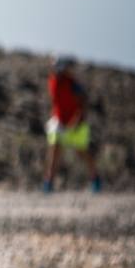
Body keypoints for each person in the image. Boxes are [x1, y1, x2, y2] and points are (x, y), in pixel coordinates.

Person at [43, 56, 100, 193]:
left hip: (76, 123)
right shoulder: (52, 81)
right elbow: (56, 102)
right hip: (59, 121)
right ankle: (48, 183)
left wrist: (77, 121)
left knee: (82, 152)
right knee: (55, 149)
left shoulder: (73, 83)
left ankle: (95, 180)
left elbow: (83, 103)